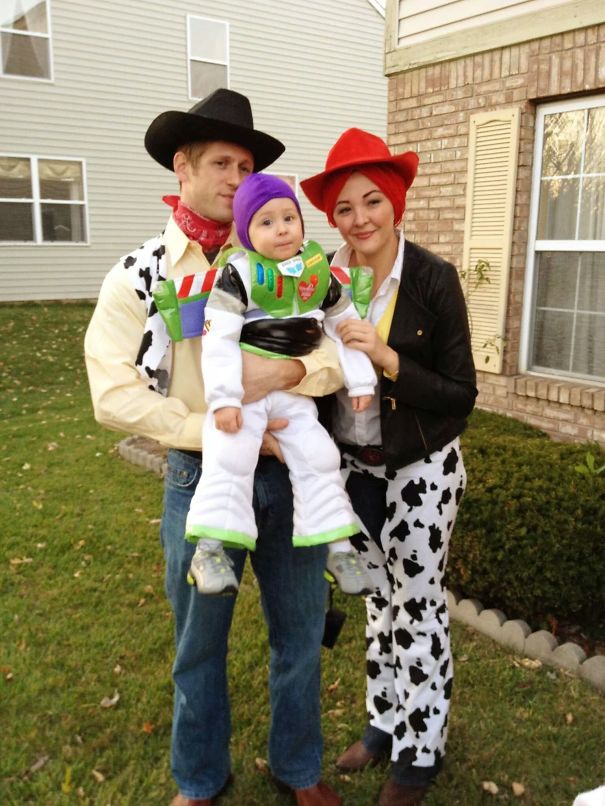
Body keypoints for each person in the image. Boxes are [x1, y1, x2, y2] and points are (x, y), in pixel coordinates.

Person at [84, 88, 344, 806]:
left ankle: (297, 767)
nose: (237, 178)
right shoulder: (142, 272)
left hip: (290, 475)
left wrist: (289, 370)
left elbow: (331, 348)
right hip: (202, 477)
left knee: (296, 635)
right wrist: (209, 428)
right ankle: (198, 779)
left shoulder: (280, 253)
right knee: (198, 641)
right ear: (183, 166)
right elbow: (111, 393)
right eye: (222, 163)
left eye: (247, 165)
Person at [300, 128, 478, 806]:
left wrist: (386, 357)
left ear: (395, 202)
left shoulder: (432, 279)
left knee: (419, 607)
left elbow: (461, 395)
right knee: (376, 603)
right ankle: (383, 722)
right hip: (352, 468)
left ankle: (420, 751)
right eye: (344, 209)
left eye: (372, 201)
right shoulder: (319, 279)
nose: (360, 219)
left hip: (420, 467)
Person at [184, 172, 376, 597]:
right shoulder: (238, 275)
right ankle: (209, 550)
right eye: (266, 222)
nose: (282, 228)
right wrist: (224, 399)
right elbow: (216, 339)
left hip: (292, 395)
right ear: (245, 232)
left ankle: (339, 547)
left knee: (320, 454)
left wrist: (361, 379)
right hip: (244, 390)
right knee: (230, 453)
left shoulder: (317, 273)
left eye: (289, 217)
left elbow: (347, 324)